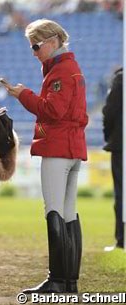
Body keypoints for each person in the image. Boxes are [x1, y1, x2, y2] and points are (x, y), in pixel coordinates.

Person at [4, 19, 88, 293]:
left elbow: (53, 111)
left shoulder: (62, 71)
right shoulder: (67, 68)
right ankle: (68, 281)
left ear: (52, 42)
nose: (34, 51)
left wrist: (23, 95)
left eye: (36, 45)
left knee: (54, 211)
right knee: (68, 214)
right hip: (71, 147)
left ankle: (57, 279)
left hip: (58, 148)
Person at [102, 67, 123, 251]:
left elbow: (109, 112)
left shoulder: (121, 79)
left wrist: (110, 136)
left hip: (121, 145)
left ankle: (122, 240)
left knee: (122, 193)